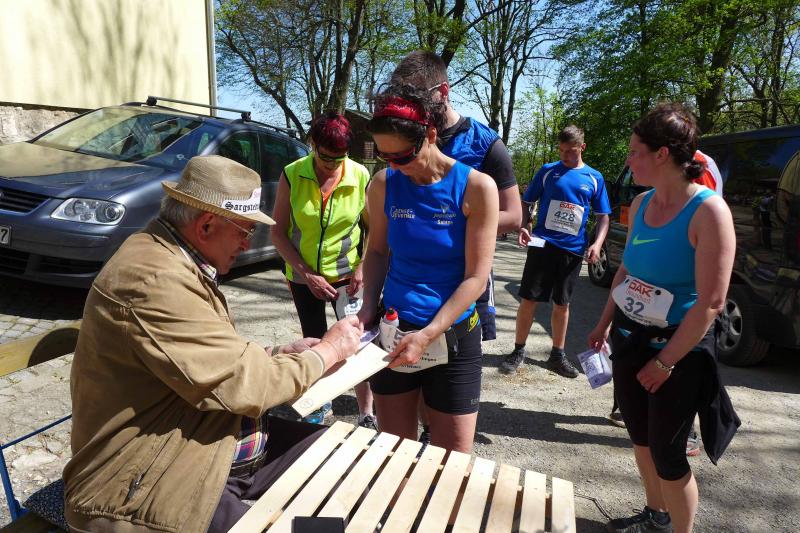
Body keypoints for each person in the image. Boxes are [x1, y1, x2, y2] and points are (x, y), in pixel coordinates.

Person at [62, 155, 363, 533]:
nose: (248, 243)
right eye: (244, 230)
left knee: (349, 458)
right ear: (206, 225)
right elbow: (245, 387)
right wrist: (328, 351)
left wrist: (279, 354)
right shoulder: (155, 279)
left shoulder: (174, 257)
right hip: (146, 477)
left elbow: (204, 359)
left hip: (205, 438)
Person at [588, 103, 739, 533]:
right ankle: (656, 516)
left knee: (669, 454)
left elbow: (711, 302)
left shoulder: (709, 212)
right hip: (630, 339)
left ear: (662, 154)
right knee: (640, 437)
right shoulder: (640, 204)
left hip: (679, 350)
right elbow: (627, 270)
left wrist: (665, 362)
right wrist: (603, 322)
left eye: (634, 152)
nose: (628, 161)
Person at [357, 83, 498, 453]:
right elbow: (376, 252)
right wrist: (367, 307)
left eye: (402, 155)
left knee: (453, 463)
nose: (394, 166)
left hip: (452, 336)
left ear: (431, 134)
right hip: (395, 330)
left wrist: (430, 333)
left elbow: (476, 277)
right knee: (396, 455)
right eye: (384, 156)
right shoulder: (384, 184)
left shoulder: (477, 187)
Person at [391, 50, 521, 342]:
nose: (412, 105)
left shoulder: (486, 143)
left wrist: (449, 224)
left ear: (444, 91)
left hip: (466, 277)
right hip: (411, 279)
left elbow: (514, 216)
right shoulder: (407, 137)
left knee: (460, 357)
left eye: (419, 96)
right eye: (406, 97)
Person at [270, 111, 377, 429]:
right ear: (312, 144)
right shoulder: (292, 174)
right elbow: (278, 232)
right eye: (325, 157)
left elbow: (375, 230)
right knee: (315, 342)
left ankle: (367, 413)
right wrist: (306, 273)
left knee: (357, 341)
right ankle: (318, 406)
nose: (332, 164)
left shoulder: (359, 175)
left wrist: (362, 266)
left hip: (348, 277)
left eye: (339, 158)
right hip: (304, 278)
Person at [499, 126, 611, 377]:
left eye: (570, 151)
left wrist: (597, 243)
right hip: (542, 245)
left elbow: (603, 216)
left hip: (572, 251)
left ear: (582, 148)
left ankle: (557, 355)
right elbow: (526, 202)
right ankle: (518, 350)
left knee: (562, 304)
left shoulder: (594, 177)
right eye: (561, 150)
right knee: (529, 299)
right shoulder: (548, 171)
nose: (564, 156)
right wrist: (524, 225)